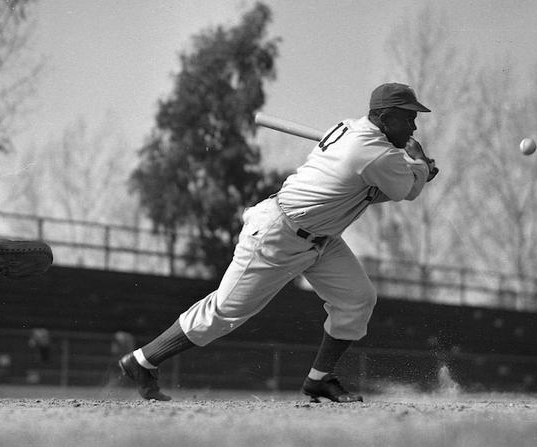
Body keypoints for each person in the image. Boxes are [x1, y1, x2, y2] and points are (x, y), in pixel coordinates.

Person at [119, 83, 438, 402]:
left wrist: (413, 172)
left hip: (321, 239)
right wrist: (421, 166)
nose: (413, 126)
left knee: (357, 299)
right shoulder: (374, 152)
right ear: (384, 117)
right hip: (278, 235)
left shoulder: (350, 129)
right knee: (224, 312)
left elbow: (375, 190)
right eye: (408, 118)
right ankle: (143, 361)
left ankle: (319, 379)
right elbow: (406, 190)